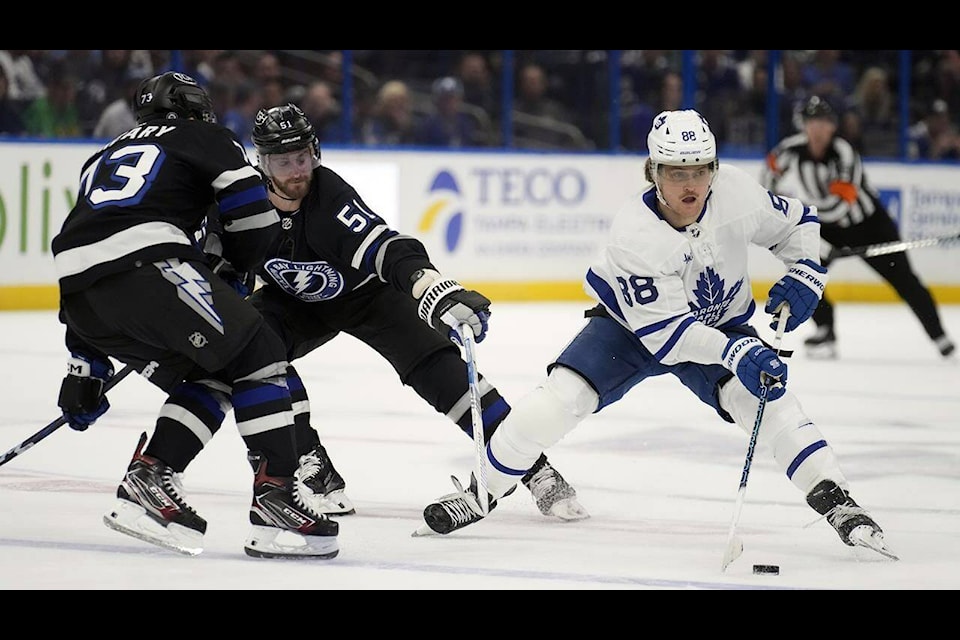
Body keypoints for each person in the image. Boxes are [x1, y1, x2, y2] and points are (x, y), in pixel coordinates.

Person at [416, 109, 896, 561]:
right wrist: (738, 349)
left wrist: (807, 273)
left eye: (700, 170)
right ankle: (482, 492)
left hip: (719, 325)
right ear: (653, 171)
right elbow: (669, 337)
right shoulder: (635, 235)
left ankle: (838, 500)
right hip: (630, 329)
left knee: (768, 404)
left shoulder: (736, 192)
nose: (691, 184)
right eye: (676, 172)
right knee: (556, 402)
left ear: (714, 167)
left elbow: (800, 224)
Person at [175, 103, 588, 522]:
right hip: (291, 304)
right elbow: (217, 263)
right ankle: (312, 468)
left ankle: (535, 469)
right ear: (261, 162)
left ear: (315, 152)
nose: (297, 170)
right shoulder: (240, 203)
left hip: (367, 298)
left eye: (302, 157)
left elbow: (386, 248)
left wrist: (433, 289)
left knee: (445, 374)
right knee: (252, 349)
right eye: (283, 162)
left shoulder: (329, 198)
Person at [50, 71, 338, 559]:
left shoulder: (100, 157)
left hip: (81, 300)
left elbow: (90, 250)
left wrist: (85, 367)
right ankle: (276, 495)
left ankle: (152, 474)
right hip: (149, 272)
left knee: (216, 370)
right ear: (194, 109)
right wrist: (239, 272)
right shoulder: (205, 136)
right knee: (260, 348)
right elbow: (253, 216)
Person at [762, 95, 955, 359]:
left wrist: (810, 226)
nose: (817, 129)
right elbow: (769, 176)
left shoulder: (844, 153)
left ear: (832, 126)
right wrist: (783, 213)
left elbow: (842, 205)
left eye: (823, 122)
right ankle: (826, 330)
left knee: (905, 280)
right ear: (804, 126)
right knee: (801, 271)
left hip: (869, 226)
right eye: (811, 122)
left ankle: (939, 335)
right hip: (826, 226)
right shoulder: (790, 149)